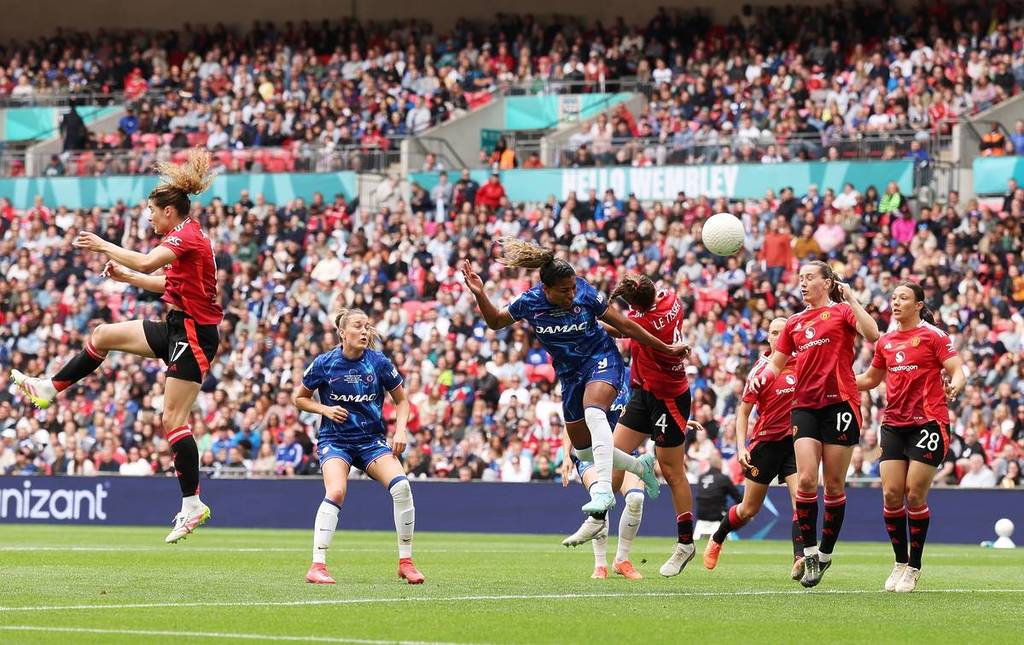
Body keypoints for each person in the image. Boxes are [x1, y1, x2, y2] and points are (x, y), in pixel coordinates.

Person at [12, 149, 220, 544]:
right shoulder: (186, 238)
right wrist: (125, 277)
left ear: (169, 212)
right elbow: (164, 284)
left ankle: (192, 504)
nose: (149, 217)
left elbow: (148, 264)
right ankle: (48, 389)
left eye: (152, 211)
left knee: (172, 419)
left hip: (193, 334)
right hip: (177, 325)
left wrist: (105, 246)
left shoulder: (186, 236)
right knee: (103, 334)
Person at [461, 241, 687, 536]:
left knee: (594, 412)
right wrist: (481, 295)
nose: (571, 293)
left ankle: (604, 491)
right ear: (547, 289)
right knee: (584, 453)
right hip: (569, 376)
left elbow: (626, 327)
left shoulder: (585, 291)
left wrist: (667, 348)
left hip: (602, 359)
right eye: (564, 290)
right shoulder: (529, 302)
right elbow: (494, 322)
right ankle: (639, 466)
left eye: (572, 288)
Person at [751, 260, 880, 587]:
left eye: (809, 278)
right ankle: (808, 553)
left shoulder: (841, 312)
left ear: (827, 282)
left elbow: (873, 334)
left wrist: (850, 298)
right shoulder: (794, 322)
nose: (803, 283)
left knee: (834, 486)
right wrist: (761, 379)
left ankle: (824, 554)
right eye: (801, 278)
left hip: (840, 404)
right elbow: (775, 364)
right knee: (807, 479)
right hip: (805, 406)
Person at [293, 308, 423, 585]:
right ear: (342, 333)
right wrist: (325, 410)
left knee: (402, 486)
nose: (364, 331)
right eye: (357, 326)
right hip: (335, 440)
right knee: (337, 491)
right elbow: (299, 399)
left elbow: (402, 401)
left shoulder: (378, 362)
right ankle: (317, 566)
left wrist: (400, 430)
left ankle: (406, 562)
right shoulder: (325, 363)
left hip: (370, 441)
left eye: (367, 326)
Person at [856, 281, 965, 593]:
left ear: (918, 304)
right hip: (893, 424)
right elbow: (871, 379)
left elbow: (957, 369)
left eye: (903, 297)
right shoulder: (886, 342)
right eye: (893, 297)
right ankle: (899, 562)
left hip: (928, 423)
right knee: (891, 494)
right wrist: (839, 382)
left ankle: (914, 566)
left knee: (914, 494)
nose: (896, 302)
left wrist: (956, 385)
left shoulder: (934, 335)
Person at [598, 274, 700, 577]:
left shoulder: (642, 321)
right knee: (613, 453)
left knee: (672, 471)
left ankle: (685, 543)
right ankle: (600, 517)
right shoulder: (670, 299)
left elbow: (619, 329)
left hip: (669, 398)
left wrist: (588, 322)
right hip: (644, 393)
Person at [703, 317, 806, 581]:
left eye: (782, 332)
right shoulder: (760, 371)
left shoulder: (804, 363)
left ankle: (799, 558)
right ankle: (717, 537)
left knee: (802, 500)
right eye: (773, 332)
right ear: (768, 338)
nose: (777, 336)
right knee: (749, 509)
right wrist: (741, 447)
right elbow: (743, 413)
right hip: (765, 444)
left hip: (793, 443)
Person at [558, 373, 646, 580]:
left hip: (623, 452)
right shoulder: (589, 376)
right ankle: (600, 564)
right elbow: (572, 422)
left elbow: (646, 407)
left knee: (636, 498)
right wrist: (566, 457)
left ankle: (622, 560)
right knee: (601, 499)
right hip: (591, 456)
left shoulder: (630, 378)